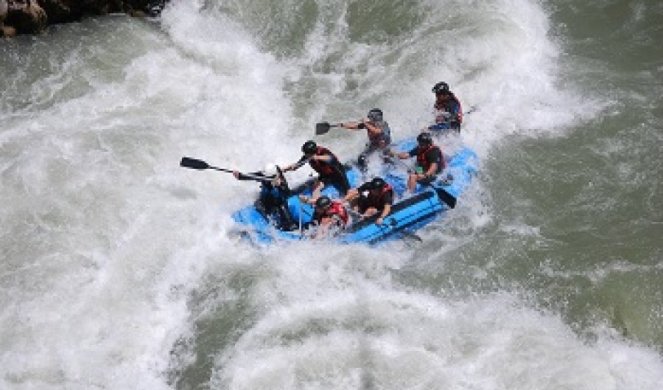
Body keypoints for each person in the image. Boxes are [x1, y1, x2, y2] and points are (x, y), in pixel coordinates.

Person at [233, 163, 297, 231]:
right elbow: (251, 176)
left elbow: (287, 193)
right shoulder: (264, 174)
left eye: (272, 177)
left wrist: (280, 186)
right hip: (266, 199)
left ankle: (290, 225)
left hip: (279, 202)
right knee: (259, 204)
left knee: (283, 208)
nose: (269, 178)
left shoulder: (280, 177)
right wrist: (239, 176)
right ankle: (268, 224)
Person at [282, 140, 350, 198]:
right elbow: (296, 166)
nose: (305, 155)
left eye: (306, 153)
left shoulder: (323, 151)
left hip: (338, 174)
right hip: (325, 176)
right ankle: (317, 204)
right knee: (315, 188)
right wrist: (285, 169)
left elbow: (331, 158)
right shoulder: (307, 156)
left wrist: (317, 157)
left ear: (312, 152)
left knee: (348, 192)